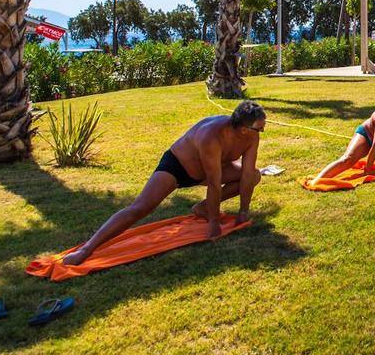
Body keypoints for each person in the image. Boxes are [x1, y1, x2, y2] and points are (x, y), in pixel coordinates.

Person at [62, 101, 266, 266]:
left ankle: (202, 208)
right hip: (177, 167)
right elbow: (214, 182)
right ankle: (87, 249)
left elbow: (247, 174)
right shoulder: (211, 136)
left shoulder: (251, 136)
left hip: (210, 169)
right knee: (140, 208)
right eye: (259, 127)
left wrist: (243, 212)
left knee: (254, 175)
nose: (262, 130)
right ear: (243, 129)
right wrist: (213, 223)